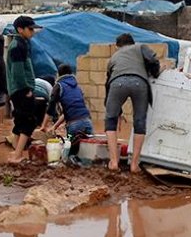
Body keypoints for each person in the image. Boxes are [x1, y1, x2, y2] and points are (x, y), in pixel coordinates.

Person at [105, 33, 161, 173]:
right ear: (132, 42)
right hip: (139, 83)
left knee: (110, 122)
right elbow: (153, 60)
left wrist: (117, 112)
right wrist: (155, 74)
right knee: (139, 122)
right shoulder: (140, 47)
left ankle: (113, 162)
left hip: (116, 84)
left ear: (118, 46)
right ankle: (134, 165)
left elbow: (108, 83)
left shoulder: (113, 57)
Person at [5, 16, 41, 163]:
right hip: (21, 89)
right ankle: (19, 154)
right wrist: (27, 89)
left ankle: (15, 153)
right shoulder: (18, 46)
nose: (32, 32)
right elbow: (18, 71)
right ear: (20, 30)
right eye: (30, 29)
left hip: (17, 89)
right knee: (29, 121)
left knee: (20, 120)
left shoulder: (20, 44)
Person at [44, 64, 94, 155]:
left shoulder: (59, 85)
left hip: (74, 127)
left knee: (70, 154)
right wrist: (54, 126)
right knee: (88, 154)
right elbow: (67, 113)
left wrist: (43, 125)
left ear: (59, 75)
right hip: (88, 123)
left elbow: (51, 106)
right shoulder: (77, 87)